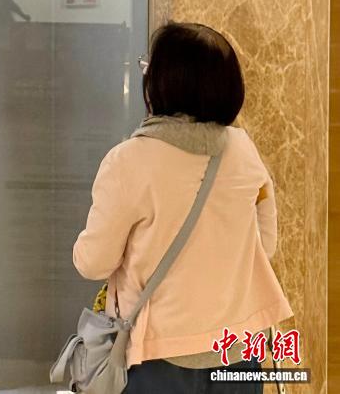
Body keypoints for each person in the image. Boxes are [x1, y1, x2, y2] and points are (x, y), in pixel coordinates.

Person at [73, 22, 293, 393]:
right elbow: (264, 246)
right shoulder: (243, 151)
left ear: (161, 83)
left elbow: (93, 262)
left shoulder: (129, 161)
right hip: (237, 352)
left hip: (156, 358)